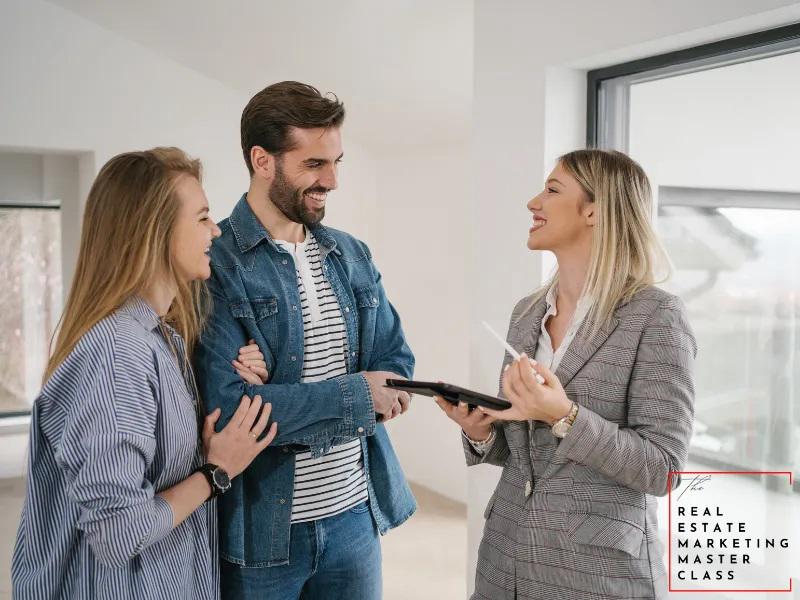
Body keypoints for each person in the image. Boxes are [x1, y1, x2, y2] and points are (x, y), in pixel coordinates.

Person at [11, 147, 278, 599]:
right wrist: (216, 472)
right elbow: (119, 532)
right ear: (155, 231)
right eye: (202, 218)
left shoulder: (160, 338)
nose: (215, 230)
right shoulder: (118, 353)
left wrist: (228, 394)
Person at [436, 149, 697, 600]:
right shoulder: (526, 314)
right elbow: (524, 453)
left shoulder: (657, 316)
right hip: (504, 564)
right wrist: (481, 432)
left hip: (596, 577)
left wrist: (565, 416)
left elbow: (663, 470)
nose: (533, 203)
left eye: (552, 190)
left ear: (594, 210)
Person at [193, 81, 416, 599]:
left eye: (336, 162)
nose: (331, 181)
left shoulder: (352, 254)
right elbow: (230, 412)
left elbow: (396, 362)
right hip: (264, 533)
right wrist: (359, 395)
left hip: (355, 516)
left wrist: (280, 398)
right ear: (262, 160)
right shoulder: (216, 262)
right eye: (314, 164)